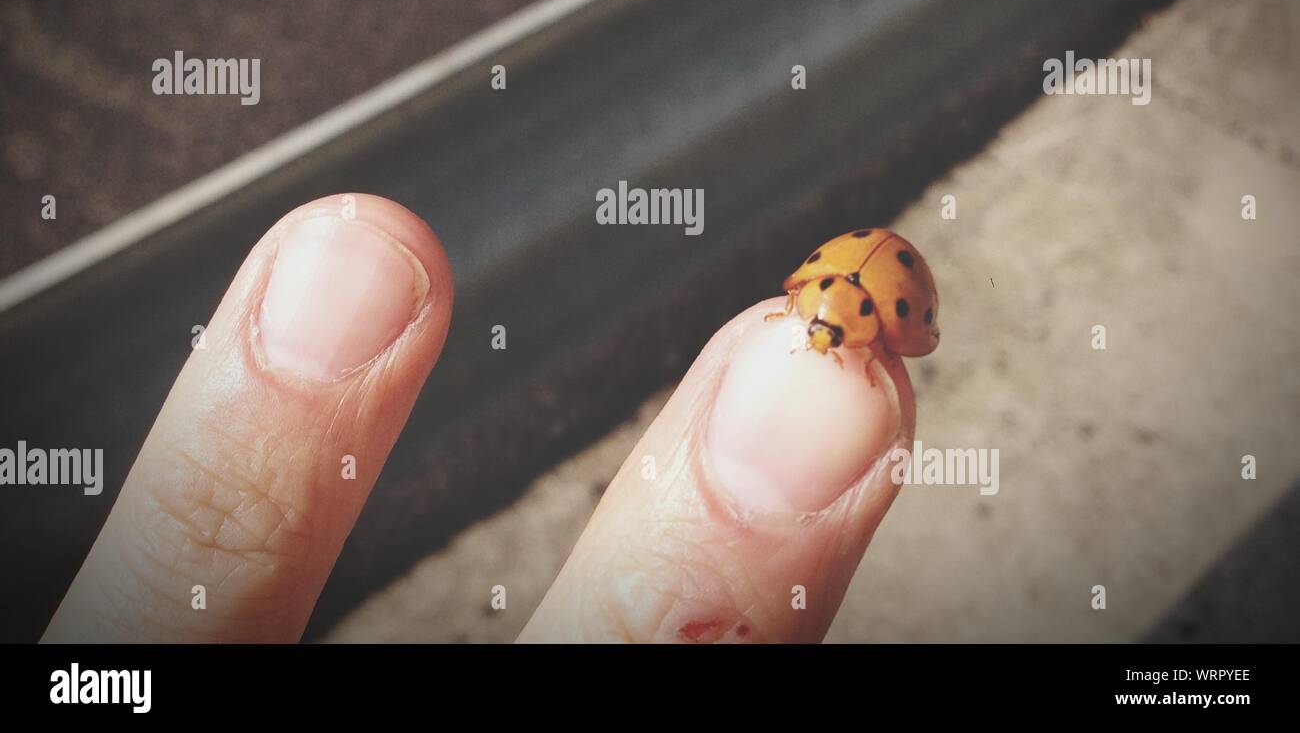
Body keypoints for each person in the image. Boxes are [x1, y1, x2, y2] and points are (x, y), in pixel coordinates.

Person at [43, 194, 914, 643]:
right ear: (813, 300)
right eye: (822, 329)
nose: (821, 336)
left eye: (830, 332)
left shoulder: (845, 308)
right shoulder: (827, 304)